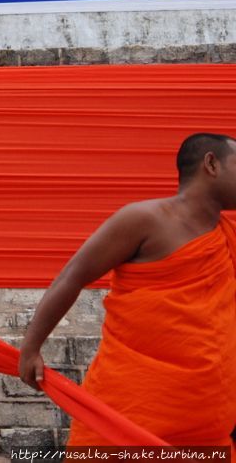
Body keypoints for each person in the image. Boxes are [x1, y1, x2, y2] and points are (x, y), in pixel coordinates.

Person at [18, 133, 236, 446]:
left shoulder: (226, 235)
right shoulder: (144, 219)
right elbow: (72, 275)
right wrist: (31, 347)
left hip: (206, 416)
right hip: (133, 408)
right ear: (212, 164)